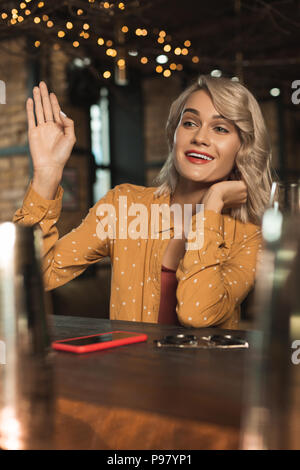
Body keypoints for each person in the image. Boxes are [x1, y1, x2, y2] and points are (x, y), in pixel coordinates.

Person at [13, 75, 274, 329]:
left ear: (244, 147)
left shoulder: (249, 235)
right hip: (127, 372)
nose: (200, 138)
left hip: (207, 373)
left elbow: (197, 314)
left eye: (220, 128)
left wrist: (212, 206)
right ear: (174, 135)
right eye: (190, 123)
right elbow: (34, 275)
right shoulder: (123, 206)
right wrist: (47, 175)